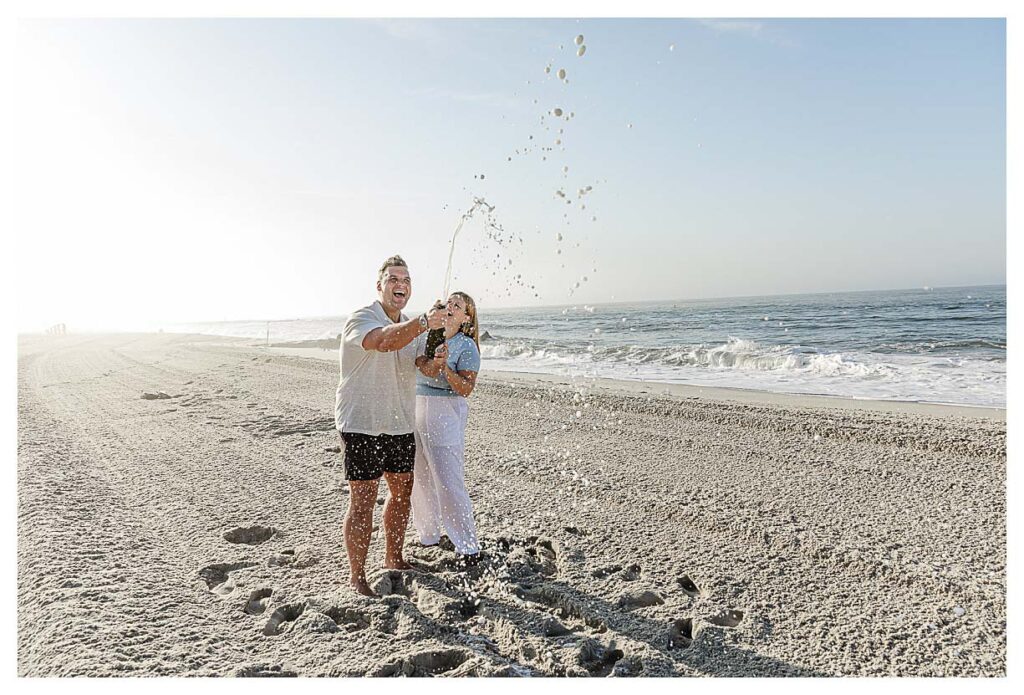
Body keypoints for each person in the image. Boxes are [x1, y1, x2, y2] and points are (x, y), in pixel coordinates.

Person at [335, 255, 445, 597]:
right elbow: (383, 341)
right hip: (361, 422)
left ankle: (394, 558)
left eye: (407, 279)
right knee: (364, 499)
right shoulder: (363, 317)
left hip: (399, 422)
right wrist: (425, 323)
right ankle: (357, 577)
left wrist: (434, 360)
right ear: (380, 285)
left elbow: (421, 366)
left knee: (401, 493)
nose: (402, 284)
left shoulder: (412, 325)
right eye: (394, 278)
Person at [411, 291, 482, 565]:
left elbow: (466, 389)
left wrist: (446, 368)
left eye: (457, 305)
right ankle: (428, 534)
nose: (450, 306)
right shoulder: (429, 337)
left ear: (466, 317)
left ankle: (467, 545)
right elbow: (422, 367)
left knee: (448, 479)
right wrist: (435, 361)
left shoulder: (466, 346)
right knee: (420, 477)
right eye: (448, 302)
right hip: (416, 409)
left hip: (445, 414)